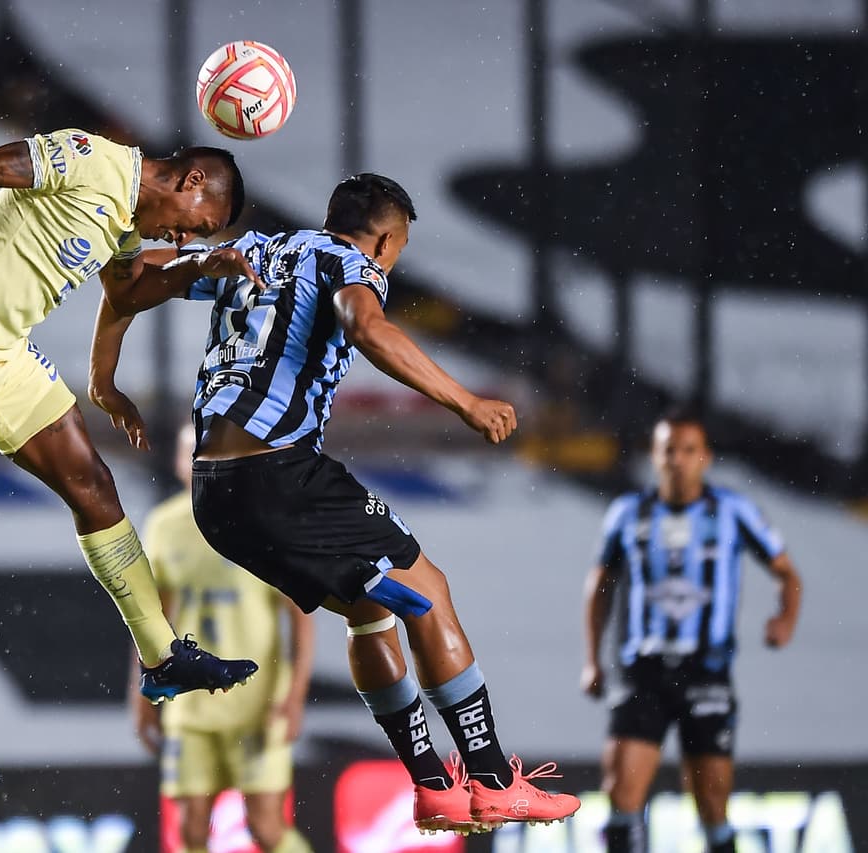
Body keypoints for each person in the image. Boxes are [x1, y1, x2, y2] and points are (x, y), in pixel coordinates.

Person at [90, 173, 581, 834]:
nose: (393, 261)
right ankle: (493, 780)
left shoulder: (253, 251)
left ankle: (435, 787)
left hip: (214, 494)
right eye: (398, 248)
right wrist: (466, 401)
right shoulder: (349, 262)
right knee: (428, 589)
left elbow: (126, 278)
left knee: (373, 610)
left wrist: (103, 373)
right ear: (382, 238)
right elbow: (367, 327)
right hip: (280, 472)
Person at [0, 128, 259, 791]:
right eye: (198, 228)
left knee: (93, 484)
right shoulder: (88, 158)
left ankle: (162, 657)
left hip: (3, 352)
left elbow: (126, 291)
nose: (189, 238)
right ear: (189, 185)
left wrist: (193, 272)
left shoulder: (127, 220)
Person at [580, 410, 802, 853]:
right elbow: (599, 586)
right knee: (621, 793)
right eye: (668, 451)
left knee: (712, 802)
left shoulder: (734, 511)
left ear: (705, 457)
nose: (677, 460)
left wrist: (784, 620)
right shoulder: (628, 513)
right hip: (643, 671)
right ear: (654, 456)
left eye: (688, 451)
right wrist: (592, 660)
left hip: (707, 672)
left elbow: (787, 574)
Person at [134, 424, 314, 853]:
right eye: (189, 455)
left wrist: (294, 694)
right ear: (178, 464)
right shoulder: (164, 525)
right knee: (190, 828)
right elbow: (148, 620)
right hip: (190, 707)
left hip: (258, 703)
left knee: (266, 826)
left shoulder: (264, 521)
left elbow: (300, 617)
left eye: (206, 455)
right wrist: (139, 696)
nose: (197, 464)